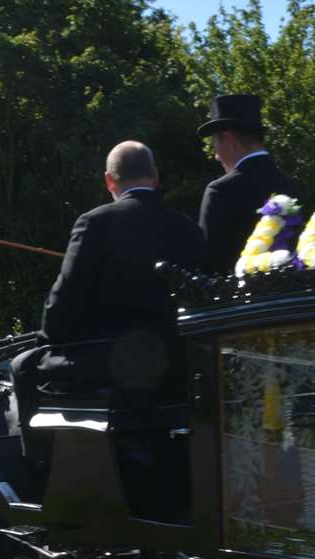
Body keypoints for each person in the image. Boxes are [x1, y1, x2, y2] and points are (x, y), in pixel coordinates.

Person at [12, 141, 202, 440]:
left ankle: (36, 466)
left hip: (111, 364)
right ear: (155, 177)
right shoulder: (190, 229)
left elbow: (65, 298)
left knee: (22, 365)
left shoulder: (95, 223)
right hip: (178, 365)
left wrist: (47, 341)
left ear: (109, 180)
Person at [196, 94, 303, 274]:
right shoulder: (292, 187)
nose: (216, 156)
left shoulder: (220, 191)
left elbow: (210, 265)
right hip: (290, 299)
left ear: (230, 140)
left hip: (238, 300)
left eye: (215, 145)